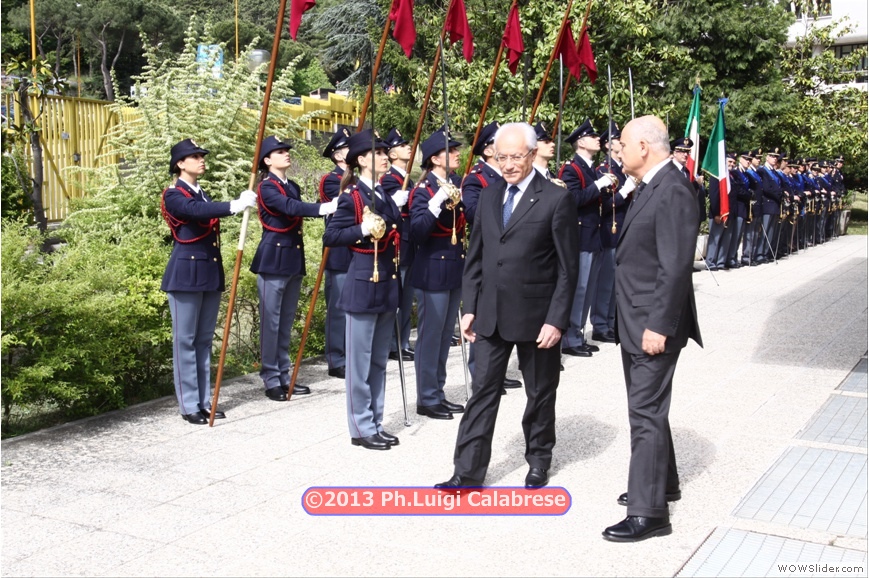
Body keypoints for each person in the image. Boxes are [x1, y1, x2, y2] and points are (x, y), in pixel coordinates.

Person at [435, 122, 579, 490]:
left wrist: (557, 320)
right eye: (502, 157)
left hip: (538, 317)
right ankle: (467, 472)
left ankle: (539, 459)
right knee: (482, 392)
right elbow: (477, 256)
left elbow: (568, 268)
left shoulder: (555, 198)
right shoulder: (489, 195)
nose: (509, 164)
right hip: (491, 314)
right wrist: (470, 306)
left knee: (540, 392)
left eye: (516, 156)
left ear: (532, 154)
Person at [603, 116, 702, 542]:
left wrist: (659, 325)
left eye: (623, 145)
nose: (618, 152)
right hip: (636, 318)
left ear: (643, 146)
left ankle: (650, 512)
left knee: (644, 412)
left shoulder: (673, 189)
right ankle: (664, 483)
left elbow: (675, 266)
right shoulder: (651, 185)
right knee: (649, 407)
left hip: (652, 323)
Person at [160, 138, 257, 424]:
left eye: (202, 155)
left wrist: (235, 204)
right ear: (180, 164)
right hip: (185, 277)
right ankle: (189, 404)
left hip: (208, 275)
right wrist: (233, 205)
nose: (202, 160)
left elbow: (203, 210)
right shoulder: (174, 194)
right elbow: (194, 212)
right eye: (195, 156)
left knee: (203, 341)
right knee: (185, 341)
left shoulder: (201, 194)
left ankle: (203, 401)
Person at [323, 129, 403, 451]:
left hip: (386, 281)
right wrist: (361, 228)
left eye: (385, 151)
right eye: (378, 152)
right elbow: (331, 236)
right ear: (361, 159)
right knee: (360, 363)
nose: (385, 156)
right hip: (362, 283)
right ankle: (361, 427)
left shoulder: (382, 193)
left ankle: (375, 422)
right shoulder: (352, 197)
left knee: (378, 361)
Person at [250, 136, 338, 402]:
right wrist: (324, 207)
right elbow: (289, 208)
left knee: (285, 322)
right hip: (273, 260)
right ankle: (271, 378)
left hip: (291, 259)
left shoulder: (293, 186)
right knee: (271, 323)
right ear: (267, 160)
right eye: (280, 151)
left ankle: (284, 375)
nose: (286, 154)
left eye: (287, 150)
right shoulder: (267, 187)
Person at [409, 129, 467, 420]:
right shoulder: (424, 190)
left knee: (445, 336)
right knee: (430, 337)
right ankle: (427, 398)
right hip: (432, 270)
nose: (457, 154)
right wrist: (436, 202)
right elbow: (418, 231)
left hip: (453, 267)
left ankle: (438, 392)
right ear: (434, 158)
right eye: (451, 150)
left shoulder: (454, 184)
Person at [559, 119, 618, 358]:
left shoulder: (591, 168)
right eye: (593, 136)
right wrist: (599, 185)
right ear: (581, 142)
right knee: (580, 288)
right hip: (581, 235)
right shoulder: (571, 169)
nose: (597, 139)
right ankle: (569, 338)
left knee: (588, 287)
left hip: (594, 235)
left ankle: (578, 334)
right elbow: (572, 199)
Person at [590, 121, 633, 343]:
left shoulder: (625, 168)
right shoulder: (603, 171)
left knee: (617, 282)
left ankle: (612, 321)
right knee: (605, 281)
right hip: (610, 230)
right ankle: (600, 324)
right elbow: (605, 205)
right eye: (617, 139)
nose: (621, 143)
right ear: (608, 145)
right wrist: (625, 191)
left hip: (625, 230)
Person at [380, 127, 416, 363]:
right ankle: (394, 344)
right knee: (398, 296)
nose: (409, 148)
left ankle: (403, 342)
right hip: (398, 246)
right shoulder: (389, 179)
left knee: (406, 298)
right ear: (392, 154)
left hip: (410, 244)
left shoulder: (406, 179)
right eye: (403, 146)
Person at [319, 129, 353, 380]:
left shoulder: (358, 179)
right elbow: (345, 206)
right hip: (340, 252)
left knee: (355, 306)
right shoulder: (331, 180)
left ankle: (351, 355)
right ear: (339, 155)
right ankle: (336, 358)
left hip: (359, 251)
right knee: (338, 309)